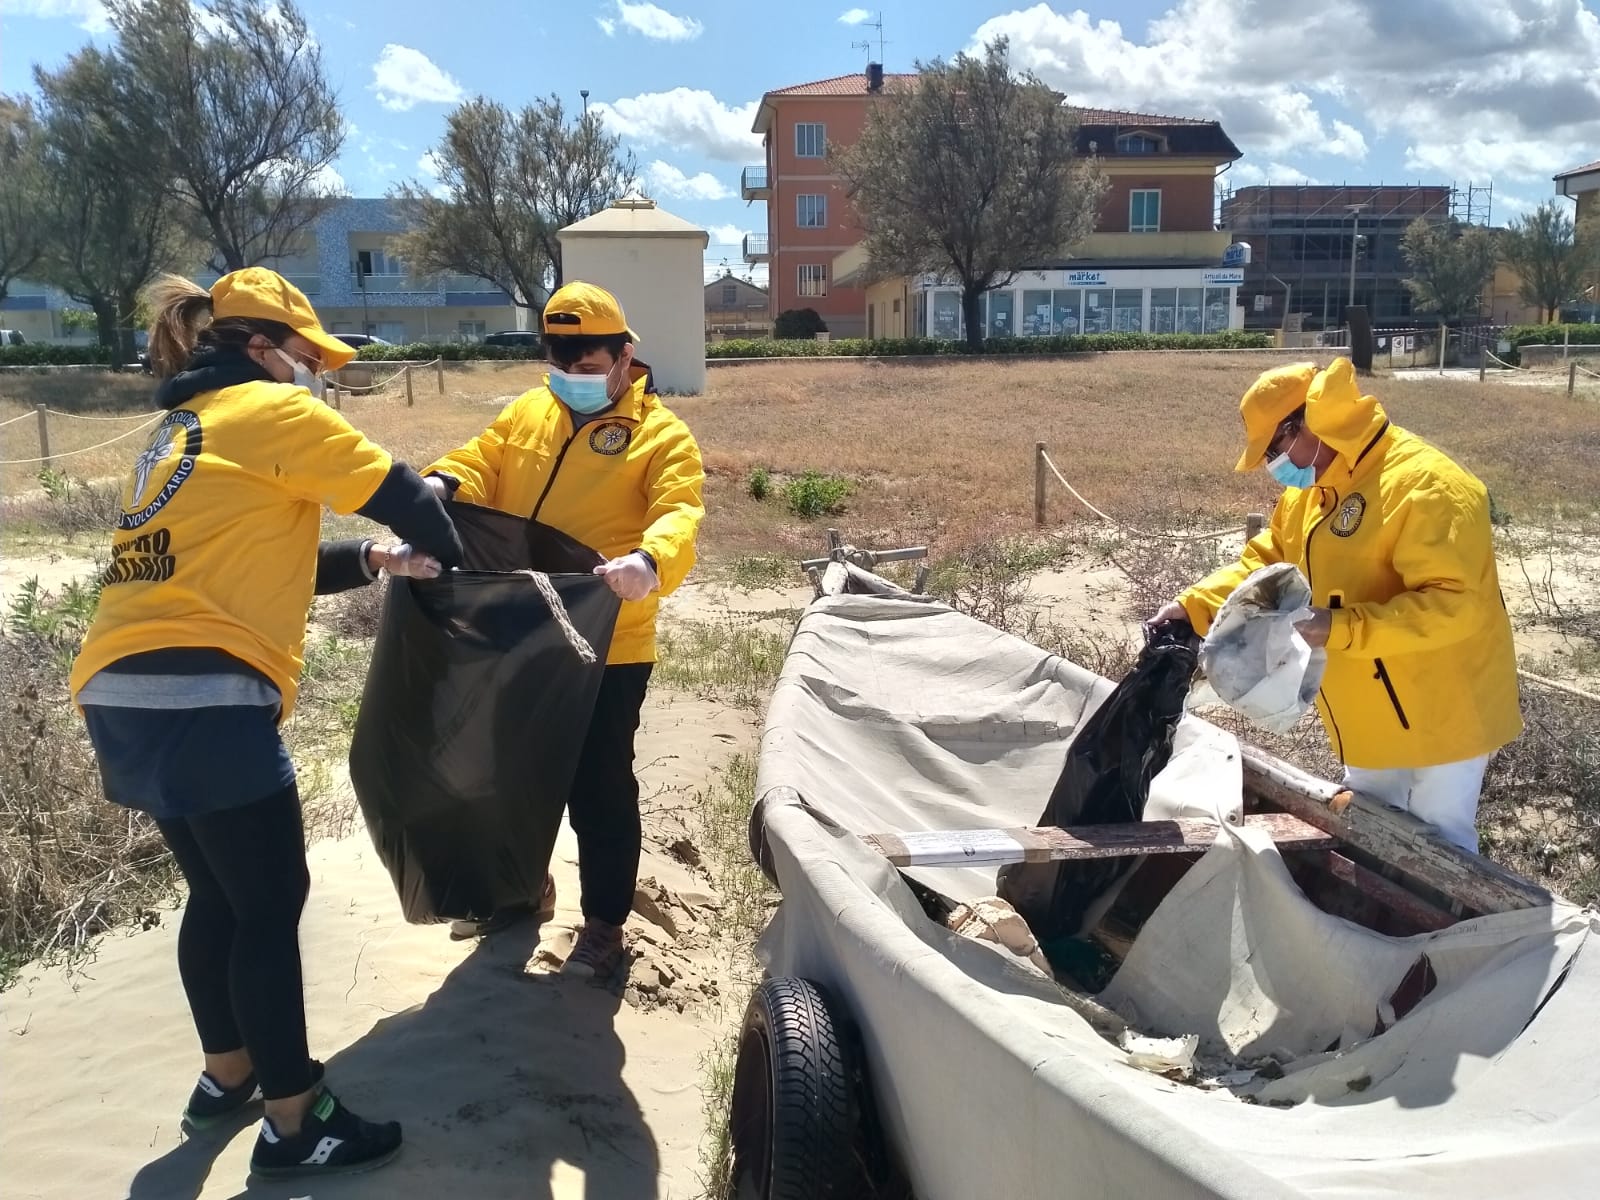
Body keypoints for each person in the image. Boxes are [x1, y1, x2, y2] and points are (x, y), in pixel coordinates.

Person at [69, 269, 464, 1180]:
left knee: (218, 896)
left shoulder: (183, 430)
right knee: (268, 906)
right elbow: (411, 495)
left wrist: (371, 560)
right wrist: (458, 571)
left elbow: (261, 555)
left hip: (123, 690)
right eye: (308, 356)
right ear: (262, 348)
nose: (314, 374)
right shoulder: (275, 414)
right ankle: (297, 1124)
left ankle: (226, 1077)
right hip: (206, 696)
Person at [424, 281, 705, 980]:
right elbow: (480, 459)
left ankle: (606, 925)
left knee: (598, 788)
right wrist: (440, 483)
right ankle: (520, 891)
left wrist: (650, 560)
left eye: (588, 365)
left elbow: (680, 513)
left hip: (609, 641)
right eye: (562, 363)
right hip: (521, 627)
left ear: (623, 356)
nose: (573, 377)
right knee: (509, 771)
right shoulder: (529, 412)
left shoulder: (659, 434)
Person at [1147, 356, 1521, 853]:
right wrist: (1193, 606)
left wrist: (1339, 627)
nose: (1273, 467)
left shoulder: (1428, 486)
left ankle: (1448, 933)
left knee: (1443, 845)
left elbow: (1454, 607)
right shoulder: (1312, 493)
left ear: (1307, 423)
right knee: (1371, 833)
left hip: (1444, 710)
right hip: (1367, 709)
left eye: (1274, 449)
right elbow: (1265, 565)